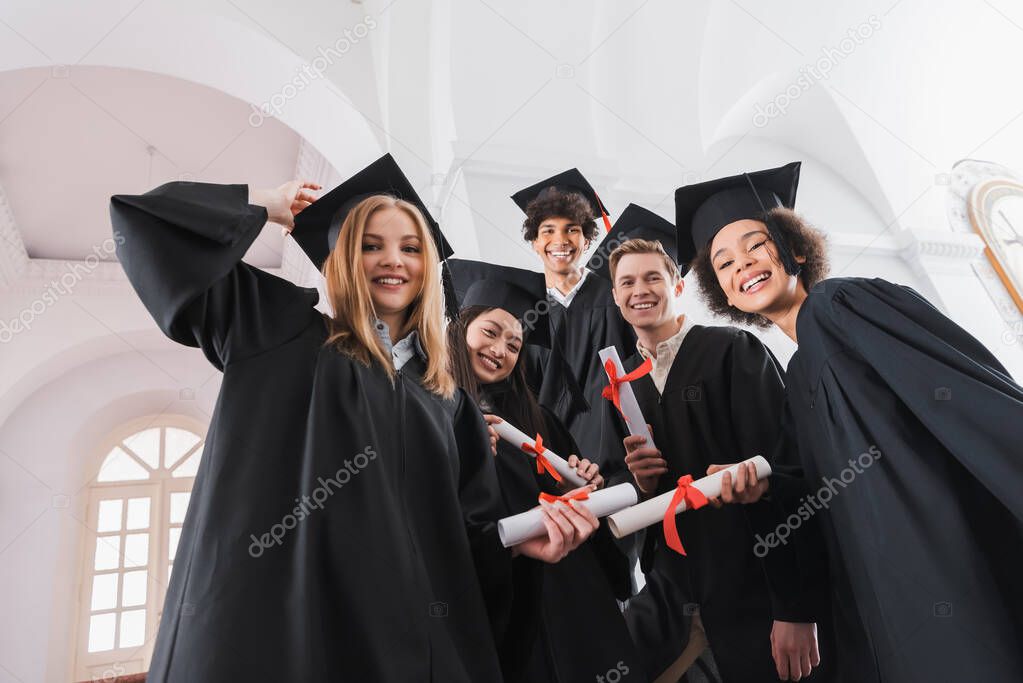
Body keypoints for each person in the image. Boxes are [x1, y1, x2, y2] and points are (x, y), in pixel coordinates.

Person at [111, 154, 598, 682]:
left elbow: (466, 535)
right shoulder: (277, 330)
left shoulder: (448, 402)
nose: (394, 260)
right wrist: (266, 206)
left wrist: (520, 543)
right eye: (371, 245)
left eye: (411, 248)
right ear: (339, 260)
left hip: (404, 646)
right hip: (291, 632)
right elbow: (147, 222)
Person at [681, 161, 1023, 681]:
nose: (743, 265)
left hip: (939, 553)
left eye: (755, 244)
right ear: (724, 295)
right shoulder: (795, 378)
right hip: (884, 584)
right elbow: (811, 487)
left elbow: (962, 395)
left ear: (795, 248)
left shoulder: (842, 303)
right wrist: (759, 486)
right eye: (724, 264)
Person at [598, 205, 831, 682]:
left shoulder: (731, 349)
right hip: (676, 587)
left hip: (754, 577)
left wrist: (794, 605)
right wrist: (638, 482)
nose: (640, 290)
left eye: (653, 278)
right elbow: (622, 487)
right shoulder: (619, 385)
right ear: (616, 297)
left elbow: (787, 472)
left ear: (677, 285)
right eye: (627, 282)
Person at [445, 258, 645, 683]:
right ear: (460, 329)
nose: (500, 350)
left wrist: (586, 481)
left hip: (573, 586)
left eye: (515, 345)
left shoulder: (539, 419)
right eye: (490, 332)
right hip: (506, 599)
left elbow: (584, 506)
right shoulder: (433, 410)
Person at [511, 169, 635, 478]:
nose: (560, 241)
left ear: (587, 237)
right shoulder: (523, 312)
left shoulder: (615, 297)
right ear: (535, 241)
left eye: (572, 229)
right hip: (555, 464)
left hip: (624, 455)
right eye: (548, 231)